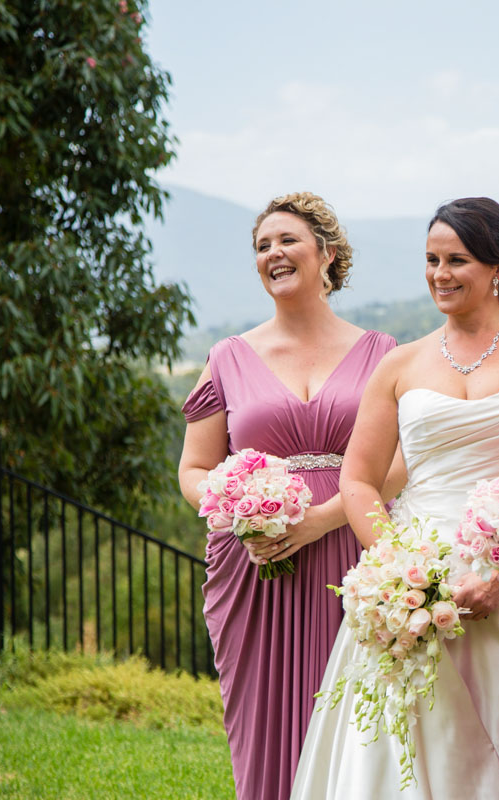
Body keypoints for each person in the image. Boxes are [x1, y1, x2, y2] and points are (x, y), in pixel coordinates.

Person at [291, 197, 499, 799]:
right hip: (411, 574)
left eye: (457, 260)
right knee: (400, 745)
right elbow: (359, 480)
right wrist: (397, 567)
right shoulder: (400, 364)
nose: (440, 274)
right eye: (431, 260)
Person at [178, 192, 401, 800]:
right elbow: (194, 468)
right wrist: (235, 509)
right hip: (258, 561)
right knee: (266, 725)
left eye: (287, 240)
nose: (273, 253)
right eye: (262, 245)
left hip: (353, 551)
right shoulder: (227, 358)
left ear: (327, 254)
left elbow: (402, 464)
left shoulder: (383, 354)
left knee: (359, 727)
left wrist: (322, 519)